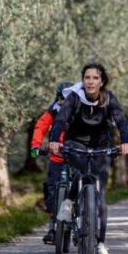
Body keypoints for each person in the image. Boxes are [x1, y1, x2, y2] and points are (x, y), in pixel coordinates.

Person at [49, 62, 128, 254]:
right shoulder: (74, 98)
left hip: (101, 145)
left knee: (101, 193)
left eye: (95, 78)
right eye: (87, 78)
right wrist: (54, 139)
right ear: (83, 80)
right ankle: (69, 202)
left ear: (101, 81)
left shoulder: (109, 98)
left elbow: (120, 119)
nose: (91, 81)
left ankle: (101, 245)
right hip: (75, 143)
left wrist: (126, 141)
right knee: (81, 170)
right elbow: (61, 118)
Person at [30, 80, 73, 245]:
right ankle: (53, 228)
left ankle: (84, 221)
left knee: (81, 185)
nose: (64, 101)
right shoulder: (53, 111)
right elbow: (41, 127)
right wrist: (35, 146)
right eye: (62, 98)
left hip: (76, 155)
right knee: (52, 191)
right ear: (58, 97)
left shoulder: (80, 110)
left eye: (68, 98)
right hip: (56, 156)